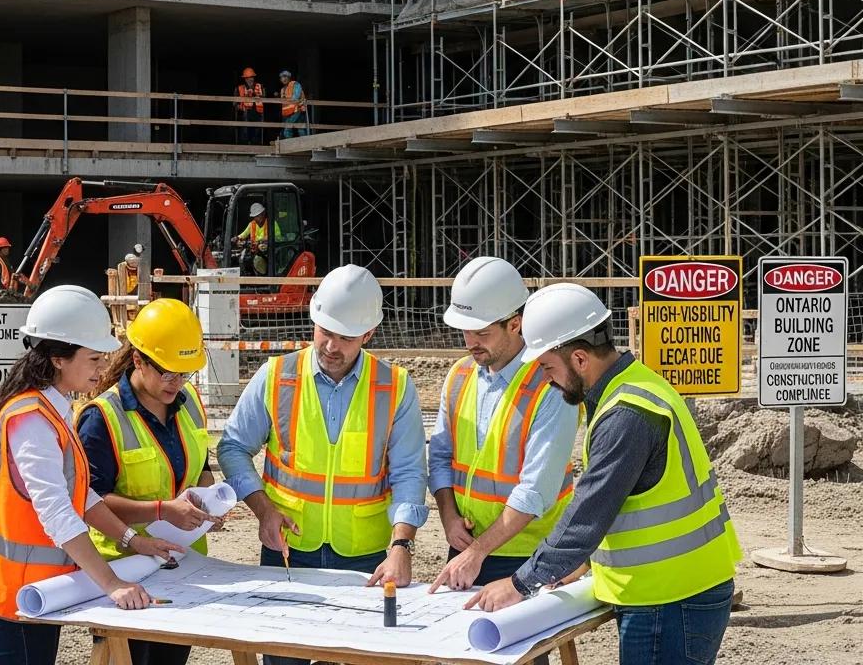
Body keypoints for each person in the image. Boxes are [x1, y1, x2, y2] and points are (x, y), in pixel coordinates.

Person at [465, 283, 741, 665]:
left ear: (579, 359)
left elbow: (588, 515)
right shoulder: (633, 387)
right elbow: (633, 504)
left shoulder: (626, 414)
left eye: (547, 366)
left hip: (670, 599)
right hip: (676, 590)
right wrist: (583, 564)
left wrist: (519, 583)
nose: (546, 379)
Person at [0, 285, 183, 665]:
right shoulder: (31, 420)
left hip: (30, 585)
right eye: (93, 359)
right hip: (8, 589)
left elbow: (80, 494)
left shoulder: (51, 409)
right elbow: (57, 511)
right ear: (58, 359)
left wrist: (131, 540)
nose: (103, 368)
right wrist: (111, 583)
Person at [217, 264, 428, 665]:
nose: (331, 346)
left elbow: (409, 473)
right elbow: (232, 448)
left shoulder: (395, 386)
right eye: (325, 331)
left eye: (346, 337)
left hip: (364, 558)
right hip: (288, 551)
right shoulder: (277, 376)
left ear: (369, 334)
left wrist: (402, 545)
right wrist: (263, 511)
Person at [78, 299, 224, 665]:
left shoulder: (189, 402)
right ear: (138, 360)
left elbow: (199, 465)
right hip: (125, 570)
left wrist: (209, 502)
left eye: (185, 374)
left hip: (184, 566)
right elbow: (88, 501)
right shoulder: (101, 418)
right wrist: (163, 511)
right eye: (168, 374)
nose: (177, 383)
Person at [427, 258, 577, 600]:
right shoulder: (459, 376)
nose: (470, 342)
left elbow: (535, 490)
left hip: (529, 556)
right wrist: (449, 519)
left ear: (515, 324)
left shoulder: (550, 385)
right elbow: (440, 458)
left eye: (482, 333)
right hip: (466, 549)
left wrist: (478, 551)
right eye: (465, 331)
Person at [232, 203, 279, 276]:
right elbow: (243, 234)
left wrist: (265, 241)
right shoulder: (252, 224)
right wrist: (237, 238)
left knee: (258, 261)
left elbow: (278, 237)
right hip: (255, 251)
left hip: (269, 252)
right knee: (243, 259)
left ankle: (263, 276)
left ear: (263, 214)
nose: (256, 219)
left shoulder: (272, 223)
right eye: (255, 217)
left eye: (257, 216)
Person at [235, 67, 265, 146]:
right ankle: (244, 146)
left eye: (251, 77)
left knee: (256, 133)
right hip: (244, 113)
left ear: (254, 78)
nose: (250, 79)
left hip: (257, 113)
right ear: (245, 79)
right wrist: (238, 106)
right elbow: (235, 102)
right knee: (244, 132)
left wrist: (254, 94)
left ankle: (255, 146)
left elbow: (264, 98)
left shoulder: (260, 86)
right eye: (247, 78)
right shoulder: (240, 88)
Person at [277, 69, 308, 139]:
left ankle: (290, 143)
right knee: (300, 128)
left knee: (287, 129)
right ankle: (306, 143)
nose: (284, 79)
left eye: (285, 77)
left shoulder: (295, 84)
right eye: (282, 77)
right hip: (289, 112)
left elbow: (296, 97)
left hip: (298, 109)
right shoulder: (282, 90)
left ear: (289, 78)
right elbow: (283, 102)